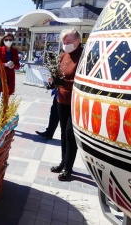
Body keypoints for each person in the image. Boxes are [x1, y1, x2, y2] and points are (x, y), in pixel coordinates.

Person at [47, 28, 83, 181]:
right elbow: (57, 74)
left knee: (70, 134)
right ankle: (63, 163)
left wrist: (63, 83)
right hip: (61, 99)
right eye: (64, 42)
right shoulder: (64, 55)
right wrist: (52, 82)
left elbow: (82, 81)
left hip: (75, 101)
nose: (65, 44)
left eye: (69, 42)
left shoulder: (83, 56)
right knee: (63, 132)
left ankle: (68, 168)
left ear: (78, 41)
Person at [0, 33, 20, 100]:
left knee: (5, 102)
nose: (8, 41)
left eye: (10, 39)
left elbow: (18, 66)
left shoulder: (15, 51)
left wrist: (13, 66)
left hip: (9, 78)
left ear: (13, 40)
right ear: (3, 40)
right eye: (6, 39)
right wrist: (5, 64)